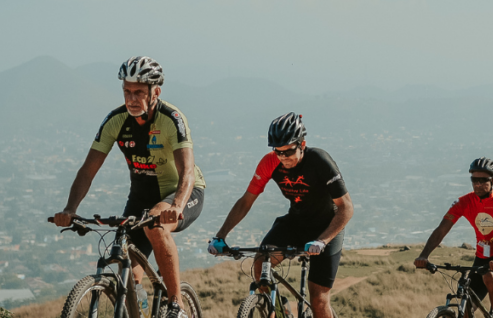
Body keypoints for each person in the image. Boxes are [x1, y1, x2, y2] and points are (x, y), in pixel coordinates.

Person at [53, 56, 206, 318]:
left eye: (138, 92)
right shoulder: (115, 120)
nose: (132, 98)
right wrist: (70, 208)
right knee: (128, 272)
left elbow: (187, 172)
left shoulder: (172, 118)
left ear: (155, 91)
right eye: (127, 91)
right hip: (140, 197)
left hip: (182, 192)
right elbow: (87, 170)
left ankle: (176, 305)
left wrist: (177, 205)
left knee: (155, 225)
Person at [209, 112, 353, 318]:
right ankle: (280, 311)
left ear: (302, 144)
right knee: (260, 263)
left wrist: (322, 241)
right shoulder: (270, 162)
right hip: (296, 222)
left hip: (327, 227)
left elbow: (346, 208)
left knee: (319, 300)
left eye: (289, 151)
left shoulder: (320, 161)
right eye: (278, 152)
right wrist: (220, 236)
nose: (283, 157)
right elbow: (245, 202)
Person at [414, 157, 493, 318]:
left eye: (483, 180)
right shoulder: (464, 202)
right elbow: (441, 230)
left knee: (490, 277)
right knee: (465, 305)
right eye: (474, 180)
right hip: (481, 258)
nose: (478, 184)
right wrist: (424, 255)